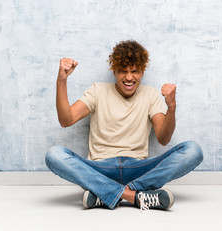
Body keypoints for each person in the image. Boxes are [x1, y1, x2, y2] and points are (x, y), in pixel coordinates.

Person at [45, 40, 203, 211]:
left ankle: (105, 193)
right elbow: (66, 120)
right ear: (114, 71)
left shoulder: (150, 95)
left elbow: (163, 139)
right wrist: (61, 80)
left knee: (193, 150)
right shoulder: (97, 90)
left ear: (142, 72)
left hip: (138, 169)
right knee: (54, 154)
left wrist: (171, 108)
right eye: (123, 71)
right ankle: (134, 196)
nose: (129, 77)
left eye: (134, 71)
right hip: (100, 168)